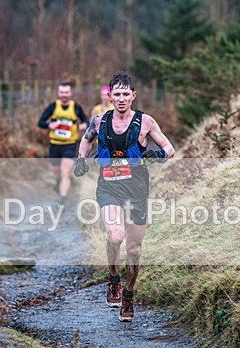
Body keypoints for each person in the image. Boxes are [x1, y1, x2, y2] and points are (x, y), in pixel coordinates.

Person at [73, 71, 174, 322]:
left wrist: (159, 155)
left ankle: (128, 294)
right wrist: (81, 160)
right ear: (110, 96)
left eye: (125, 94)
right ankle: (113, 277)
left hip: (137, 190)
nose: (121, 98)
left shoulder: (146, 122)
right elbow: (85, 141)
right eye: (116, 94)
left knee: (134, 249)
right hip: (109, 188)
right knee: (115, 236)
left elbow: (169, 148)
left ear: (133, 96)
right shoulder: (99, 121)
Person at [37, 80, 89, 204]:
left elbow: (86, 121)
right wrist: (49, 125)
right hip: (55, 144)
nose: (64, 95)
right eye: (61, 92)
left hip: (70, 144)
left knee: (65, 172)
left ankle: (62, 200)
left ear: (70, 93)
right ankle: (58, 184)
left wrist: (84, 125)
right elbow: (40, 123)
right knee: (57, 174)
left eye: (66, 92)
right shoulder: (53, 107)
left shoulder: (76, 107)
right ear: (58, 93)